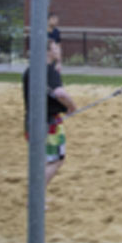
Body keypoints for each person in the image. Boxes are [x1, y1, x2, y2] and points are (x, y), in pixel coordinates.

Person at [22, 40, 77, 194]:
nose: (58, 49)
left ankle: (35, 198)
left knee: (40, 161)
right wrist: (71, 107)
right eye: (55, 47)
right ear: (47, 51)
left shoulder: (30, 70)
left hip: (30, 122)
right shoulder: (50, 71)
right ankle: (36, 197)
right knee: (56, 160)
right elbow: (60, 93)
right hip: (49, 124)